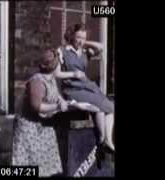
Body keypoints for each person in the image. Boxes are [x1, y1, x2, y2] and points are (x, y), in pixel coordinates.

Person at [54, 23, 115, 153]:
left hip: (88, 87)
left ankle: (107, 140)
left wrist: (84, 42)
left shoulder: (85, 52)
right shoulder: (62, 51)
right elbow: (56, 74)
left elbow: (101, 47)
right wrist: (73, 74)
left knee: (111, 108)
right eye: (78, 37)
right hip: (73, 90)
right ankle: (102, 139)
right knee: (99, 108)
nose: (81, 41)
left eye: (83, 38)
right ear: (71, 36)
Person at [12, 48, 68, 177]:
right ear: (54, 65)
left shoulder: (51, 78)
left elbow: (56, 94)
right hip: (29, 128)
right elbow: (36, 106)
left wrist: (62, 101)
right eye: (59, 63)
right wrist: (57, 107)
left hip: (44, 127)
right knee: (30, 165)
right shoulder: (37, 81)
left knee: (44, 167)